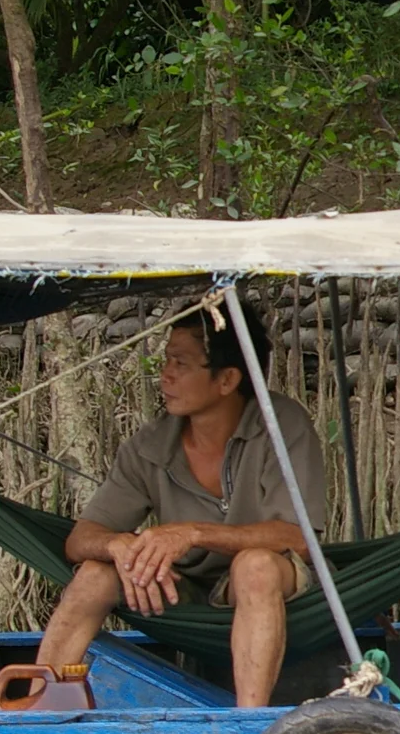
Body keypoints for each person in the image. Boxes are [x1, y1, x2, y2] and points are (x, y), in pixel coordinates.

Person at [34, 301, 327, 707]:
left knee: (254, 566)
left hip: (276, 583)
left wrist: (191, 533)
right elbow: (81, 539)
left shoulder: (281, 427)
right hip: (182, 589)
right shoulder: (152, 445)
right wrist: (117, 546)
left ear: (226, 379)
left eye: (181, 363)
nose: (165, 375)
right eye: (167, 360)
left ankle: (247, 726)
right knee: (93, 575)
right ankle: (38, 706)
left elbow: (297, 538)